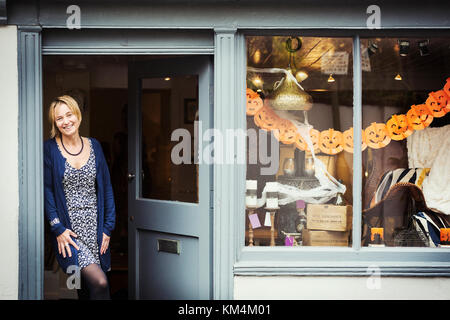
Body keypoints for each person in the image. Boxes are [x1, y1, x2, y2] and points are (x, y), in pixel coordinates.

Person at [44, 95, 116, 300]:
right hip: (70, 232)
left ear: (78, 115)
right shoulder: (49, 149)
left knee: (87, 290)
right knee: (100, 283)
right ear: (55, 123)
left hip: (96, 228)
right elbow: (47, 191)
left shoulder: (94, 146)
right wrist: (57, 228)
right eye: (59, 118)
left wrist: (108, 227)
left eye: (69, 115)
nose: (65, 121)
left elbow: (106, 188)